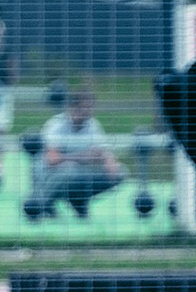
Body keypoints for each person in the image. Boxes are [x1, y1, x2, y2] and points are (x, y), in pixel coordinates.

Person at [23, 88, 123, 220]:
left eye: (90, 108)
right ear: (72, 107)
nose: (87, 112)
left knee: (119, 173)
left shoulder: (92, 125)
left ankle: (78, 200)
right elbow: (52, 159)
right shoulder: (56, 125)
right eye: (83, 107)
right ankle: (44, 201)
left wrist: (110, 162)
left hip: (76, 173)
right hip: (49, 175)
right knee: (70, 169)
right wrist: (84, 157)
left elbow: (103, 151)